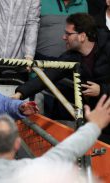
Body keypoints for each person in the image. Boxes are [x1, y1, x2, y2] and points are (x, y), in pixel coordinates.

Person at [13, 13, 110, 142]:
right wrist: (19, 94)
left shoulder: (107, 47)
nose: (64, 37)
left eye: (68, 34)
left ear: (82, 36)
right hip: (99, 121)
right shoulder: (71, 57)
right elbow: (47, 76)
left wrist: (102, 90)